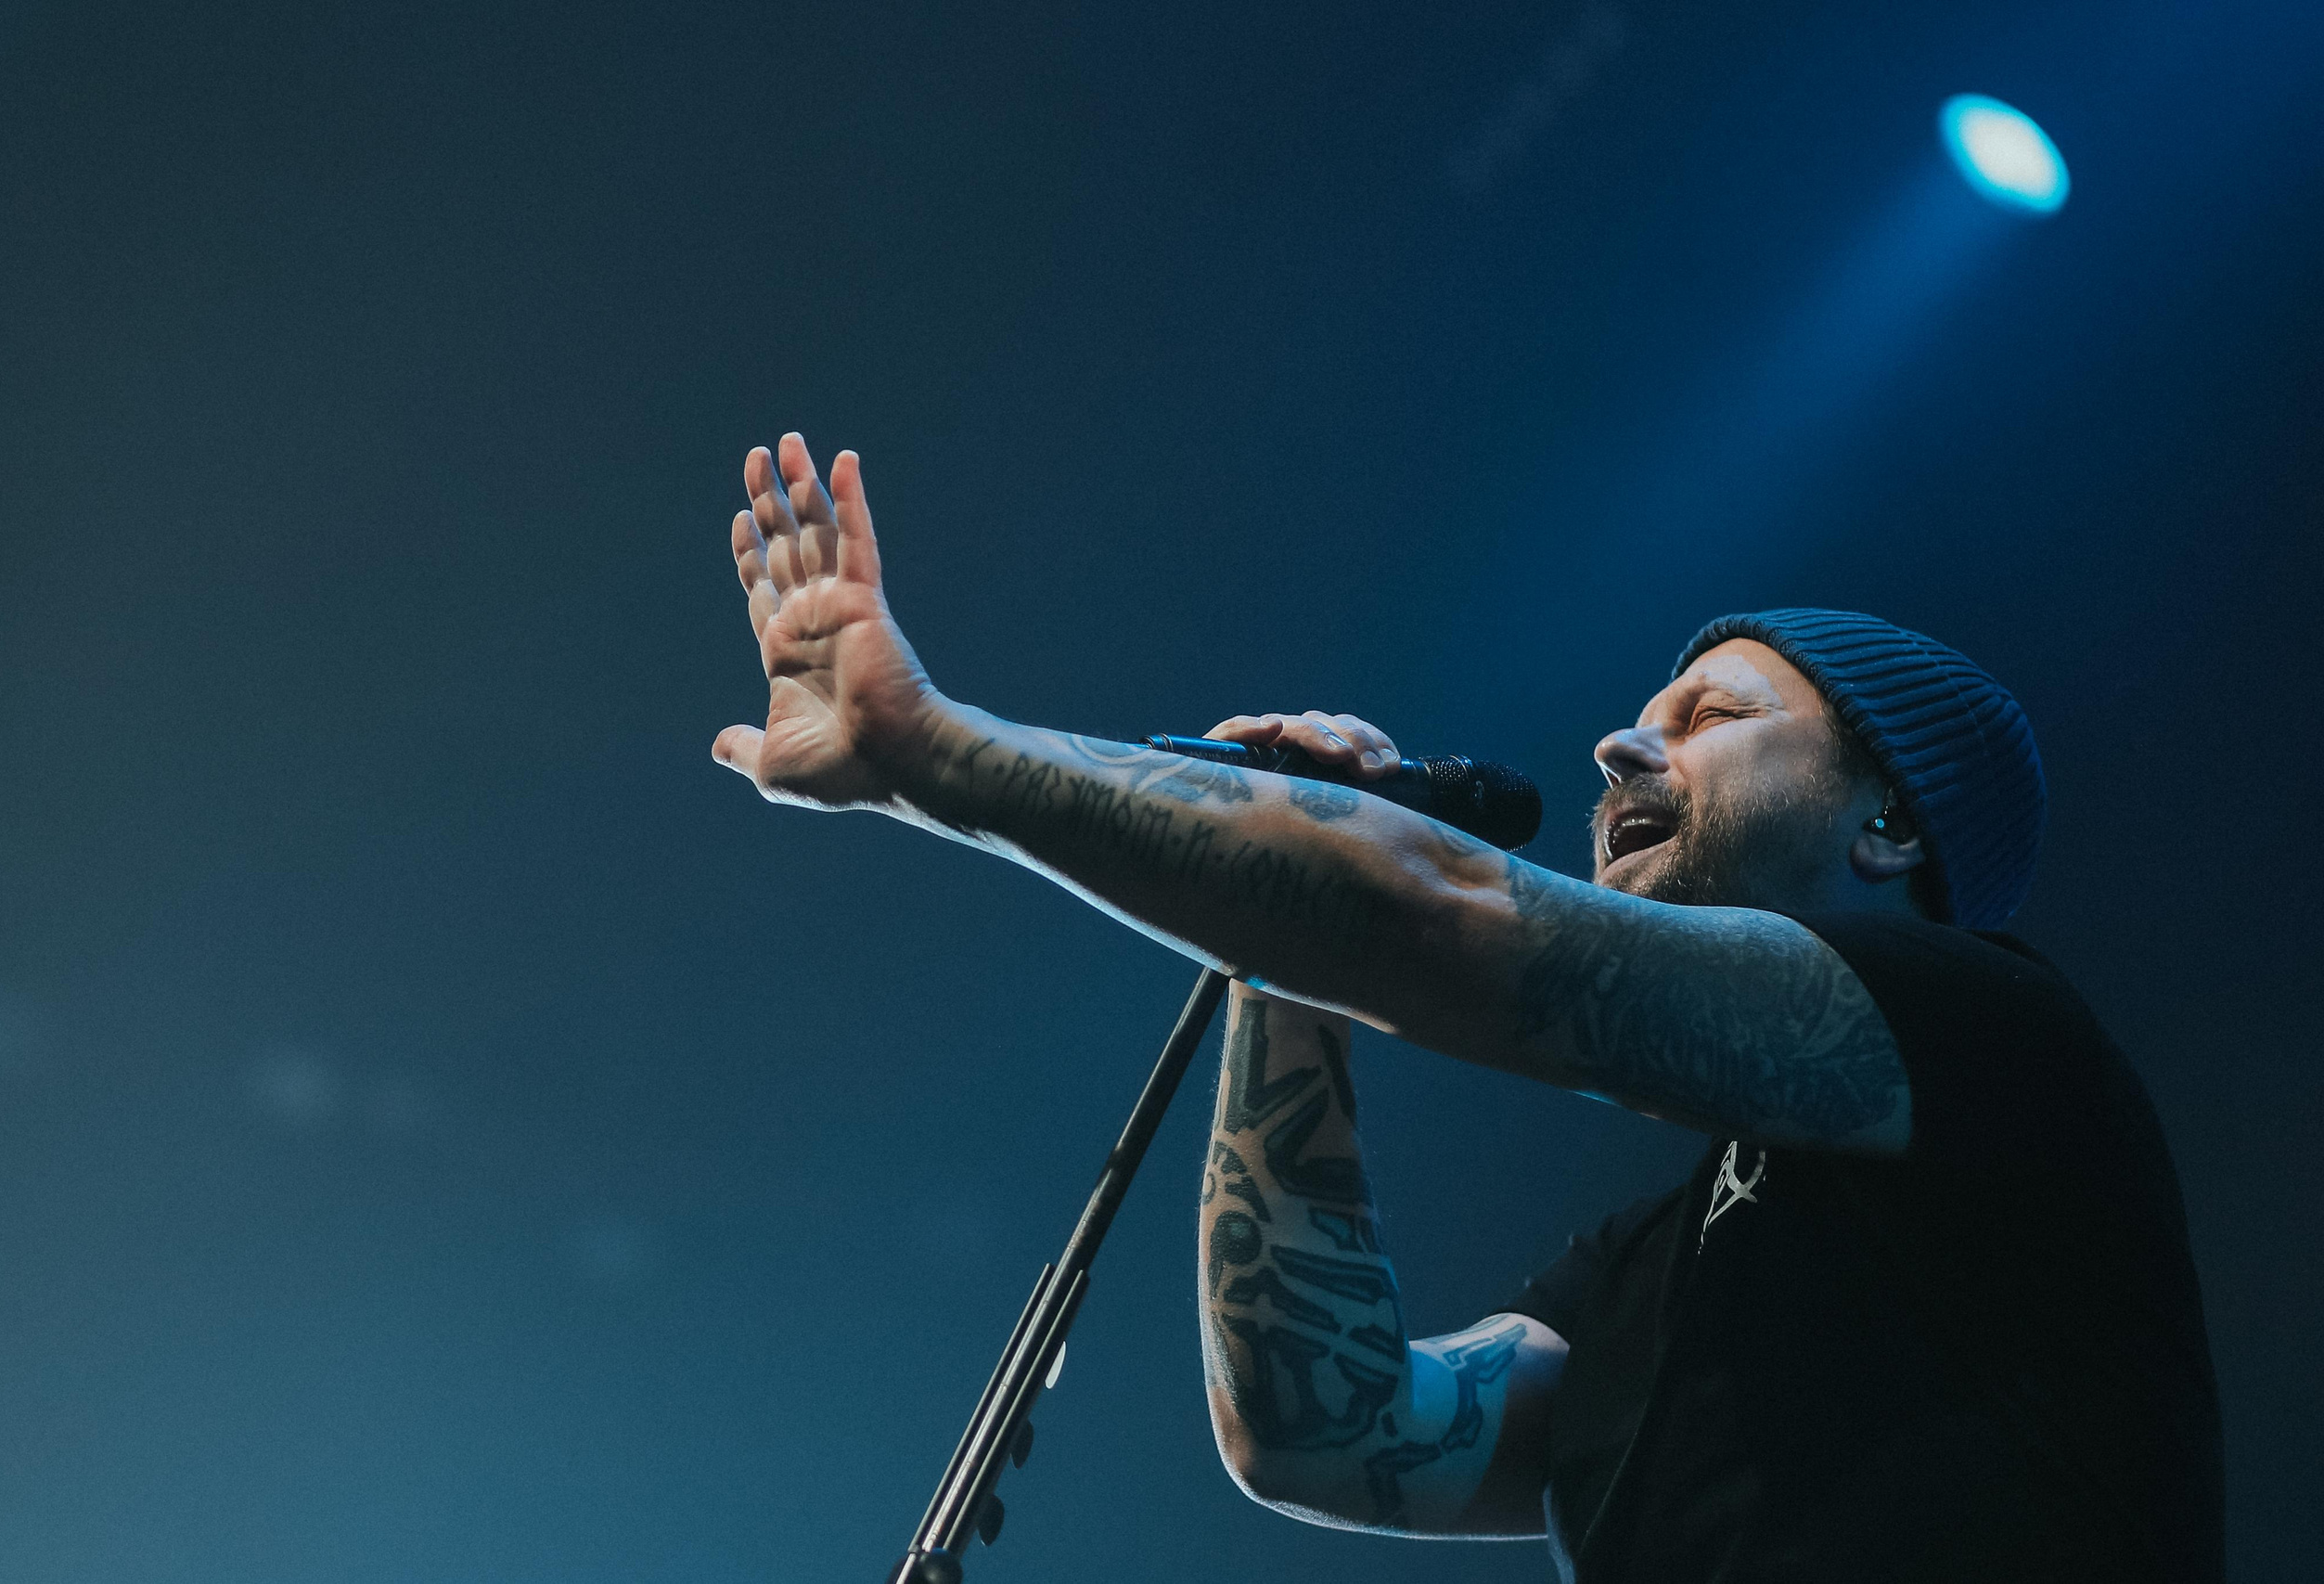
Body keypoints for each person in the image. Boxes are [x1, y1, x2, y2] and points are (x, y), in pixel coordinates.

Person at [713, 434, 2223, 1580]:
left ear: (1889, 826)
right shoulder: (1663, 1265)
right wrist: (1272, 956)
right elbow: (1331, 1428)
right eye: (1646, 713)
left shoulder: (2001, 1047)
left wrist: (932, 750)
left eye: (1713, 719)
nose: (1624, 745)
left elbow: (1441, 919)